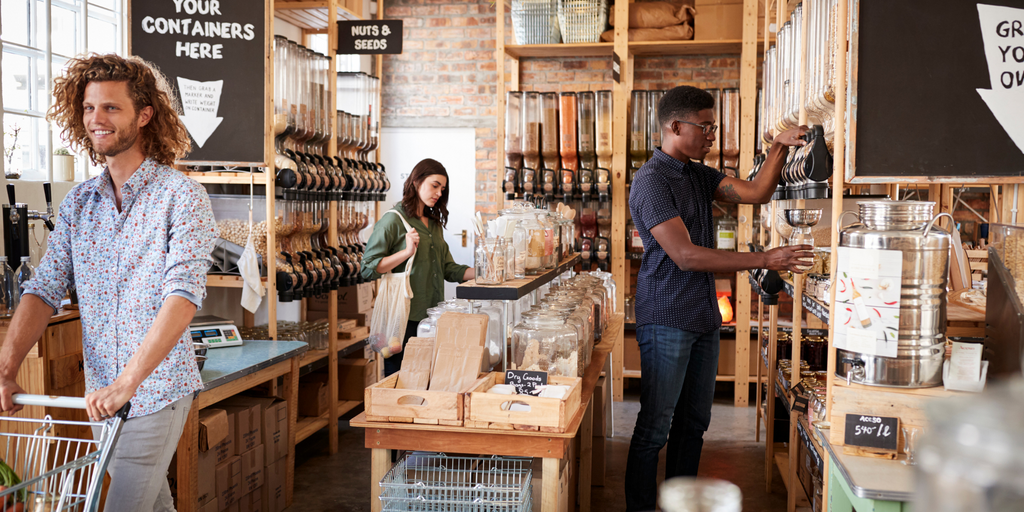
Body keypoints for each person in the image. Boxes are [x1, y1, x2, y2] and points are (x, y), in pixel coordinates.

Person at [0, 54, 215, 512]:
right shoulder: (79, 204)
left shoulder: (182, 197)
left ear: (144, 115)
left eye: (111, 108)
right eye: (88, 108)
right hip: (102, 396)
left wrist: (127, 384)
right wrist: (5, 367)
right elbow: (43, 288)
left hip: (155, 392)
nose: (97, 118)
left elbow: (182, 296)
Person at [625, 85, 812, 511]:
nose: (712, 135)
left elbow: (756, 192)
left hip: (703, 318)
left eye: (714, 127)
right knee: (655, 427)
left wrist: (778, 148)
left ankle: (679, 503)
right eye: (705, 127)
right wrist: (765, 257)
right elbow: (686, 256)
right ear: (675, 126)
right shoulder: (651, 181)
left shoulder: (698, 173)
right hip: (667, 316)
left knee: (693, 425)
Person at [361, 158, 474, 377]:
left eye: (443, 188)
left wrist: (485, 272)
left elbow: (449, 269)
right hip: (403, 318)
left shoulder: (433, 224)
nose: (439, 193)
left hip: (432, 317)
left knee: (427, 378)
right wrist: (405, 252)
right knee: (400, 378)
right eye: (434, 185)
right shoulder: (392, 221)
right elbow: (367, 268)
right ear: (416, 182)